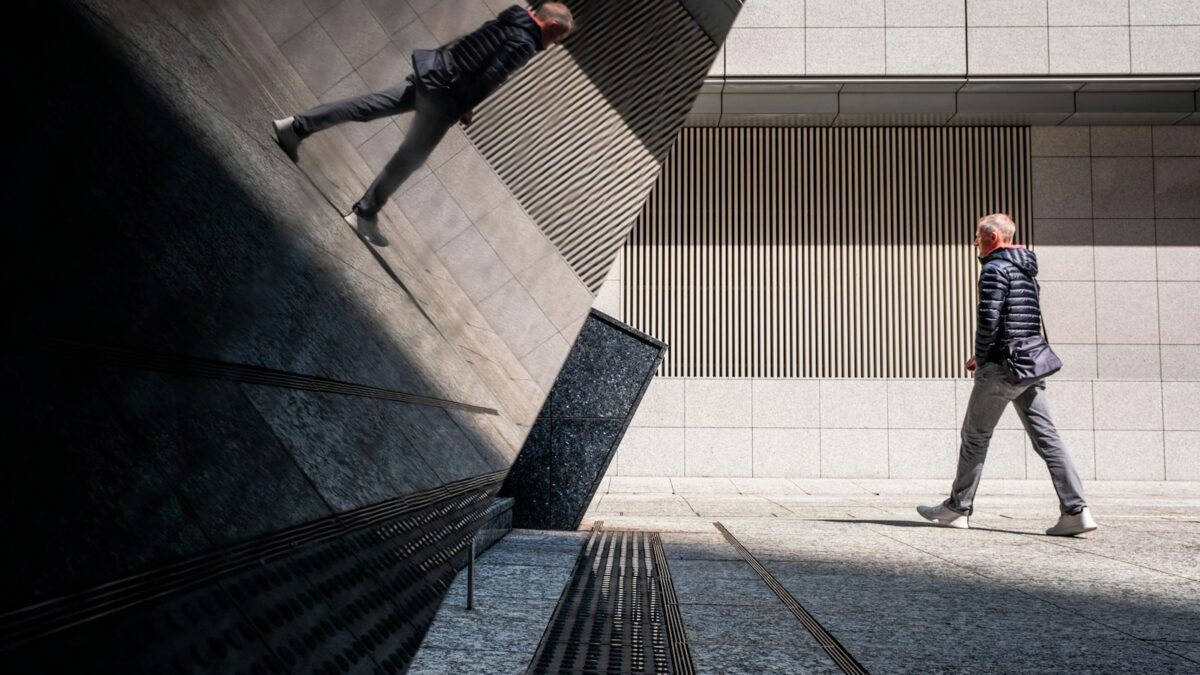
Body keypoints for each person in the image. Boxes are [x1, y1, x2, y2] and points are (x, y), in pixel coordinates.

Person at [272, 3, 574, 246]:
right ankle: (364, 213)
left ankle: (296, 126)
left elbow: (472, 46)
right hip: (445, 97)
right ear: (551, 26)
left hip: (434, 74)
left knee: (367, 105)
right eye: (558, 38)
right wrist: (464, 108)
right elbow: (489, 78)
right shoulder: (524, 42)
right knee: (408, 159)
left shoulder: (511, 18)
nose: (555, 43)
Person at [917, 213, 1097, 537]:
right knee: (1048, 439)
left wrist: (984, 359)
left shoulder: (994, 268)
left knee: (975, 437)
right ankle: (1076, 510)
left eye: (977, 237)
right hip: (1031, 365)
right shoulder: (1026, 269)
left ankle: (957, 508)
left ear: (993, 238)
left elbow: (989, 319)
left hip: (1002, 366)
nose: (975, 243)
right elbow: (1021, 320)